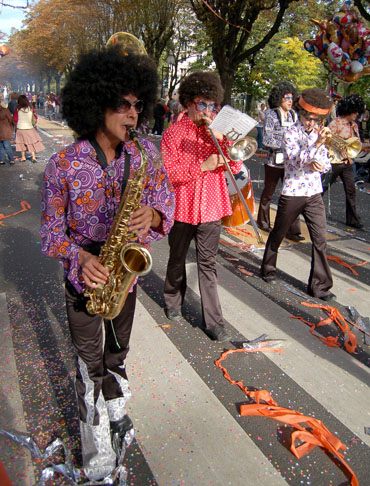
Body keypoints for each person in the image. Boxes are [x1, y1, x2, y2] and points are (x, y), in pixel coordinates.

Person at [40, 45, 175, 483]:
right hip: (84, 278)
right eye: (123, 104)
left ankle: (117, 412)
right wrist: (78, 256)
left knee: (117, 353)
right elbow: (49, 233)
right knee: (88, 363)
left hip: (125, 278)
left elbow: (165, 204)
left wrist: (153, 216)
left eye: (139, 105)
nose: (133, 114)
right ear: (96, 102)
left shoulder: (147, 157)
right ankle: (96, 450)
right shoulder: (62, 163)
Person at [162, 71, 243, 342]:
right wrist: (202, 166)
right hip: (182, 207)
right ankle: (173, 302)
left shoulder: (218, 135)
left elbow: (236, 167)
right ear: (188, 103)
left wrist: (225, 140)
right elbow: (169, 173)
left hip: (211, 207)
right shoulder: (173, 134)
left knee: (207, 265)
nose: (208, 111)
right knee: (177, 258)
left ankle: (214, 321)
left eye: (212, 105)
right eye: (202, 104)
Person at [261, 88, 335, 301]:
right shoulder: (291, 132)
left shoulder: (321, 133)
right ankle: (268, 268)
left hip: (313, 192)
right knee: (279, 232)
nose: (310, 123)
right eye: (307, 118)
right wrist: (316, 145)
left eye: (315, 119)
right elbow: (294, 161)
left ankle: (320, 287)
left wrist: (322, 163)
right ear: (300, 113)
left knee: (320, 239)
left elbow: (326, 163)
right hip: (293, 191)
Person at [257, 81, 303, 242]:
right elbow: (267, 140)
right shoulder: (271, 114)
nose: (290, 101)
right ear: (279, 99)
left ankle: (293, 229)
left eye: (291, 97)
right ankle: (263, 222)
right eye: (286, 98)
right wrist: (286, 144)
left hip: (290, 162)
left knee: (292, 194)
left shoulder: (293, 115)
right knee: (268, 193)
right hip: (273, 161)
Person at [325, 94, 365, 230]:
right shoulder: (336, 122)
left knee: (351, 190)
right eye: (354, 111)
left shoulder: (354, 126)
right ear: (348, 110)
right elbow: (326, 138)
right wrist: (338, 148)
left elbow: (356, 143)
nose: (356, 114)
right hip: (335, 161)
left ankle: (353, 219)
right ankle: (307, 209)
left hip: (347, 162)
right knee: (323, 187)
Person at [14, 94, 45, 162]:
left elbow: (15, 119)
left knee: (21, 143)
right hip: (29, 128)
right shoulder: (31, 108)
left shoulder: (17, 109)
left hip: (20, 128)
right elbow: (35, 117)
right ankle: (33, 157)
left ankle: (23, 157)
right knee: (31, 143)